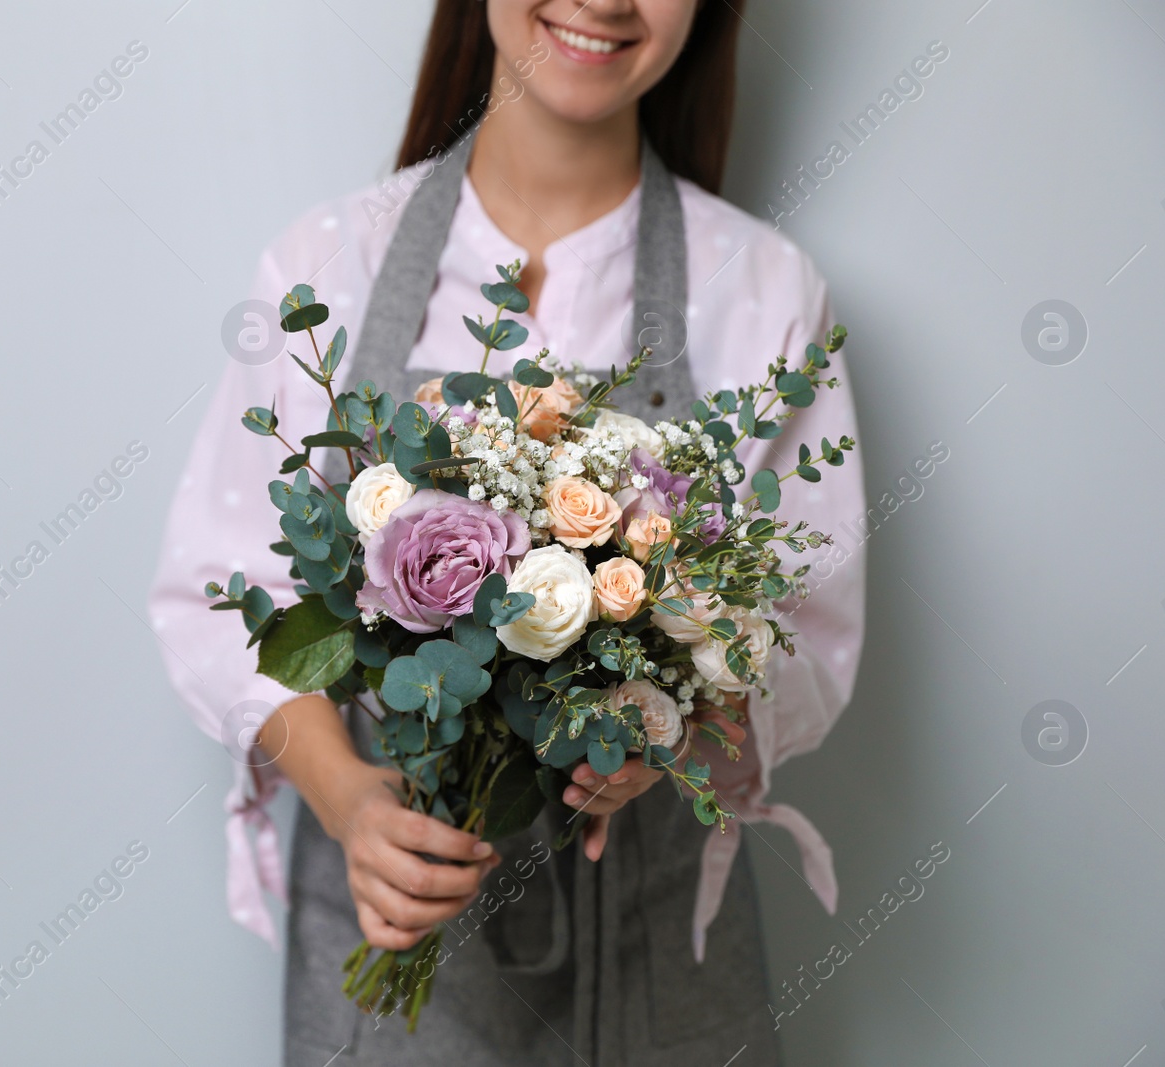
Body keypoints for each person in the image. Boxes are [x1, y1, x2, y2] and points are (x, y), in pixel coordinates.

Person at [149, 2, 866, 1063]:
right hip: (392, 921)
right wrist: (350, 800)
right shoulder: (328, 263)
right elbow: (218, 592)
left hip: (656, 947)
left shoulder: (763, 291)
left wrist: (663, 727)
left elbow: (801, 626)